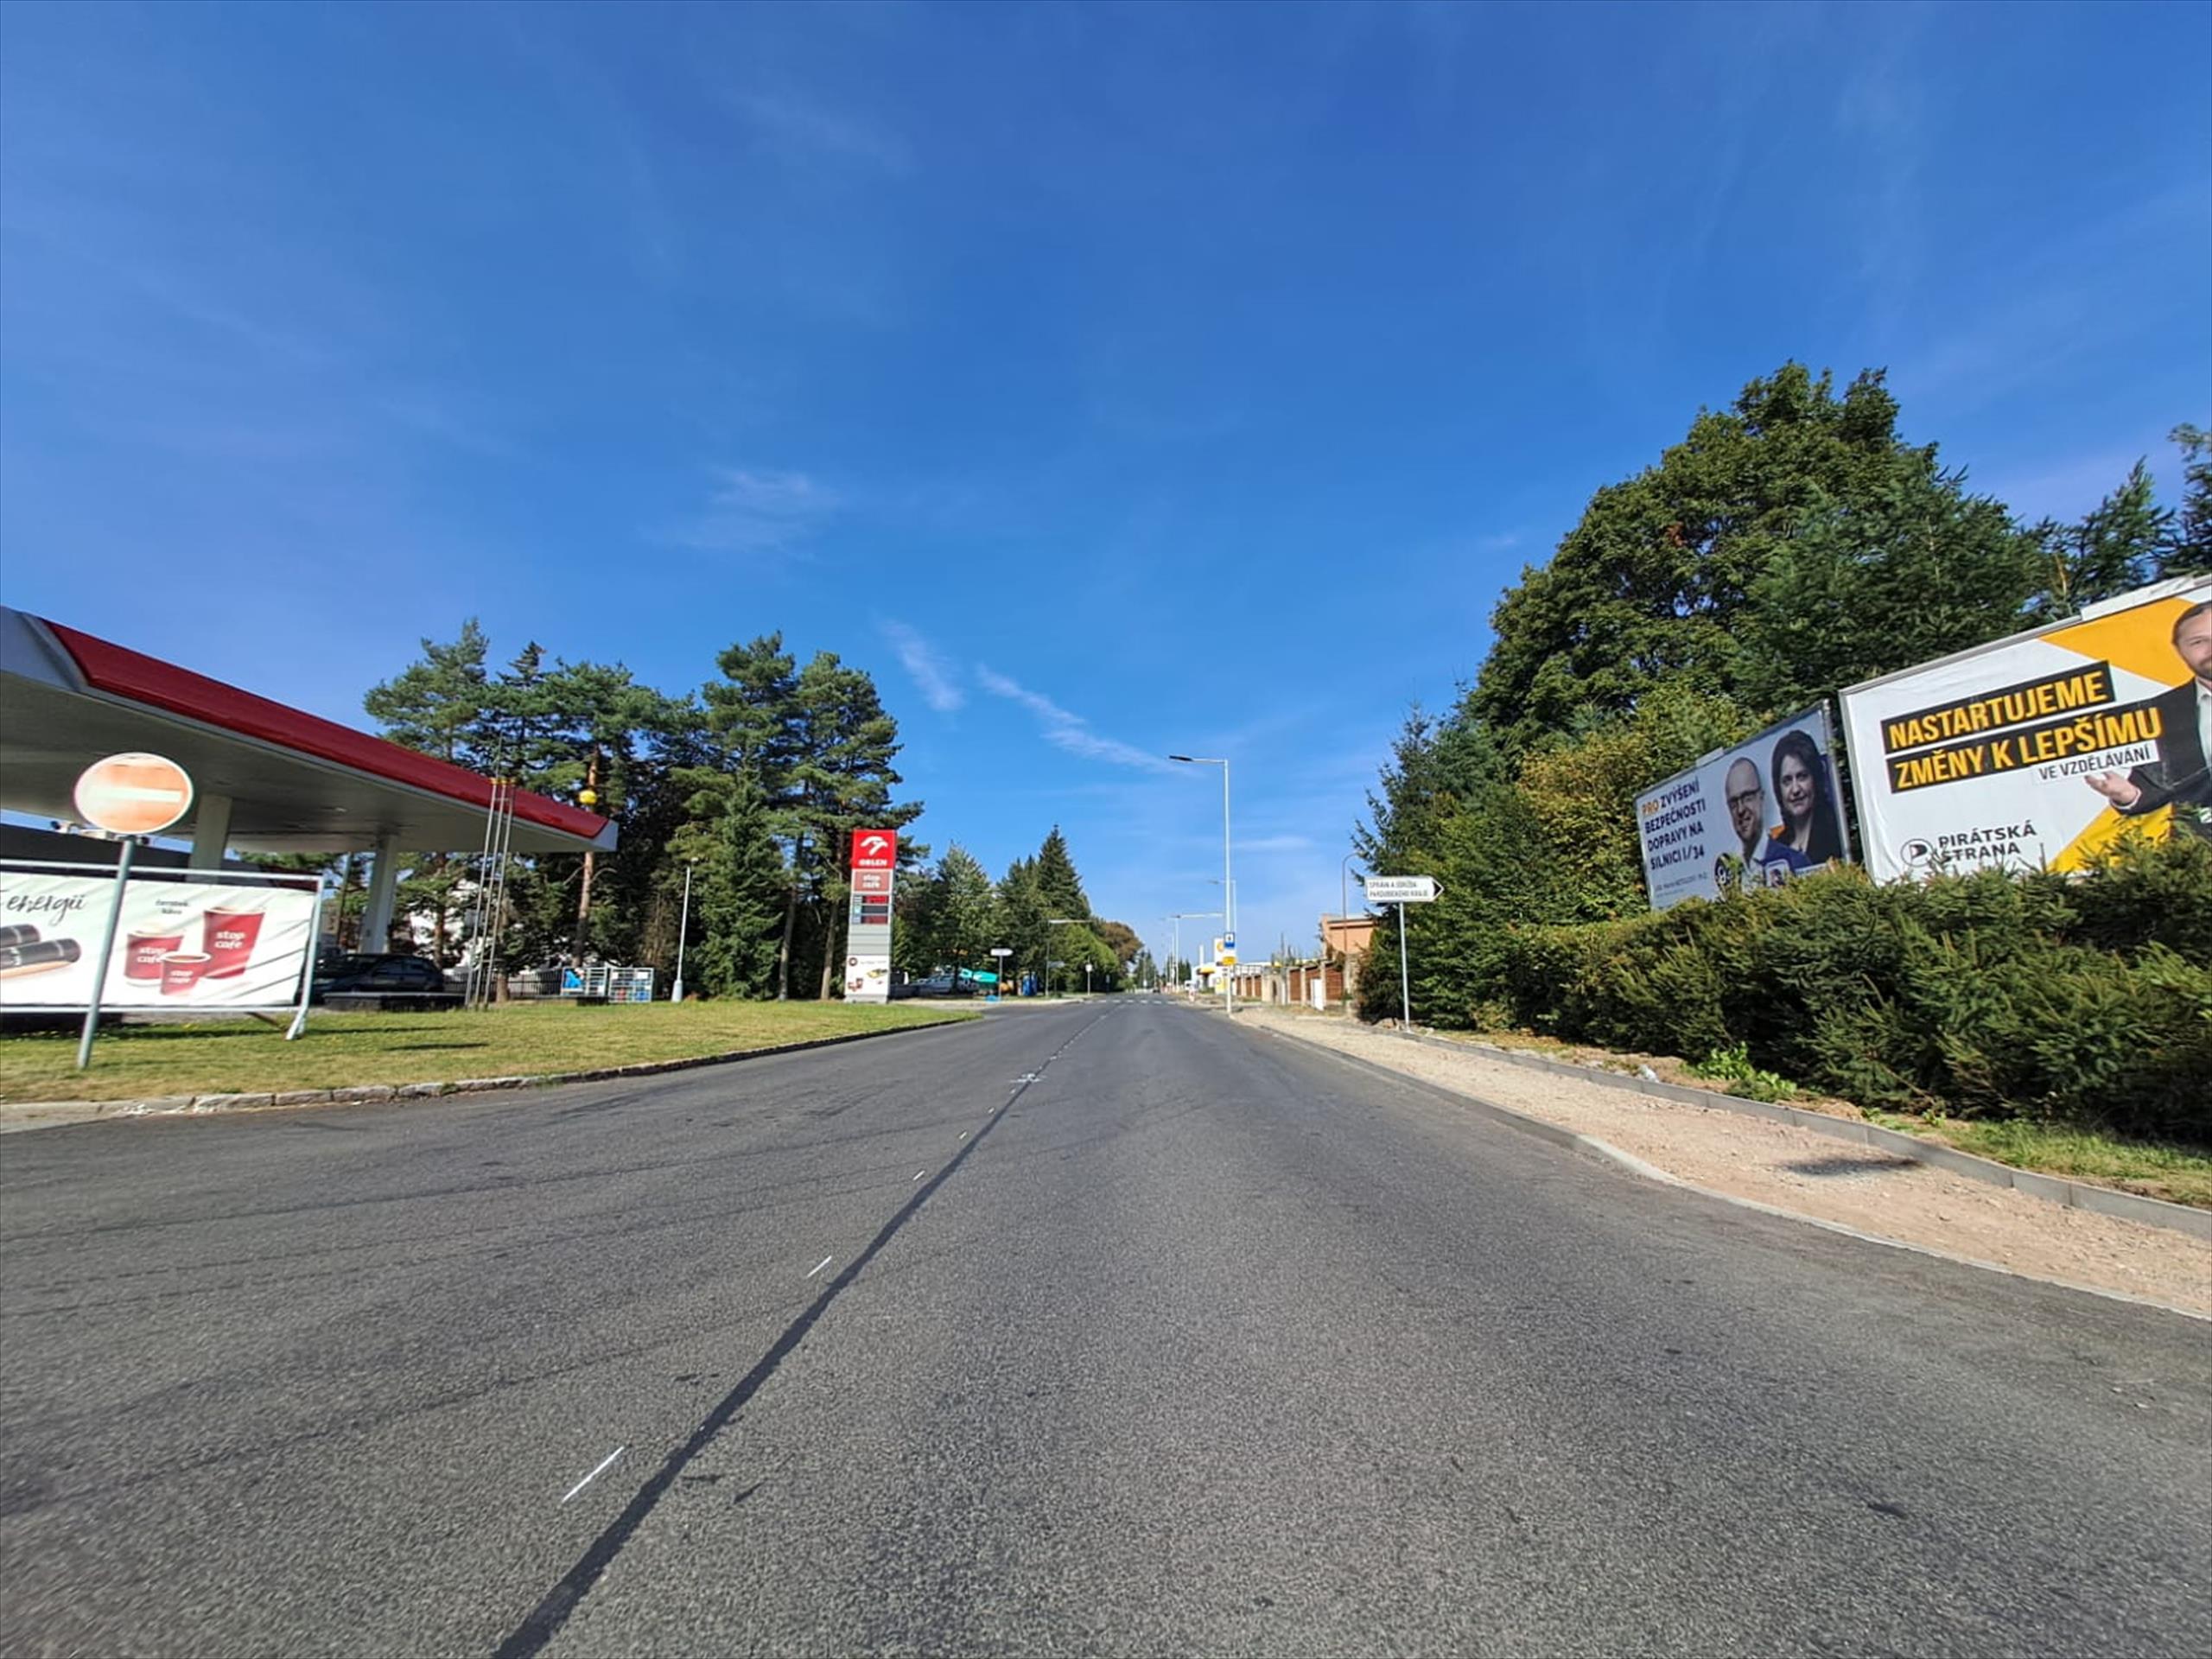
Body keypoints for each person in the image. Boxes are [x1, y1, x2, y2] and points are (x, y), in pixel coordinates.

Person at [2087, 600, 2212, 840]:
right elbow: (2155, 788)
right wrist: (2128, 796)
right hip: (2200, 847)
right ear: (2178, 649)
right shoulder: (2160, 712)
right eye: (2198, 642)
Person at [1764, 729, 1846, 870]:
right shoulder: (1777, 849)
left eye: (1802, 776)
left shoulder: (1836, 833)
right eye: (1787, 781)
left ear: (1815, 778)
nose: (1795, 789)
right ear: (1778, 789)